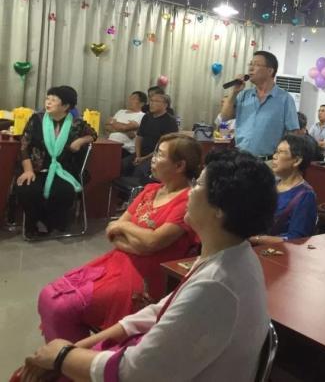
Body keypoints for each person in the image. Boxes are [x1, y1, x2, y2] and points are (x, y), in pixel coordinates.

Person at [16, 149, 274, 382]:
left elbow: (134, 373)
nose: (191, 191)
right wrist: (79, 347)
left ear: (220, 209)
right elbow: (163, 309)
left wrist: (62, 356)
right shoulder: (231, 254)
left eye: (199, 184)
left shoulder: (216, 286)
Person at [37, 134, 202, 343]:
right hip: (117, 262)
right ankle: (71, 358)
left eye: (160, 155)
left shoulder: (186, 201)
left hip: (145, 276)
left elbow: (152, 241)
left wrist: (125, 227)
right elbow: (113, 232)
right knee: (49, 296)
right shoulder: (150, 190)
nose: (152, 159)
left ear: (179, 166)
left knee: (61, 305)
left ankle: (76, 357)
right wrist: (138, 242)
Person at [15, 86, 97, 236]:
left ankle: (51, 223)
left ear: (65, 106)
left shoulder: (76, 123)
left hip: (62, 170)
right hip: (36, 169)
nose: (48, 102)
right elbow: (24, 145)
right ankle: (35, 223)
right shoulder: (37, 119)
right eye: (48, 99)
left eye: (53, 100)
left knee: (64, 192)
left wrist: (80, 141)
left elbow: (93, 134)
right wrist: (28, 170)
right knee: (27, 189)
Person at [219, 51, 299, 158]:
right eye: (250, 64)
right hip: (240, 158)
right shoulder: (243, 95)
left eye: (256, 64)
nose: (250, 68)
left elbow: (293, 133)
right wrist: (234, 92)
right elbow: (224, 118)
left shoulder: (285, 99)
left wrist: (282, 157)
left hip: (268, 161)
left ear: (270, 71)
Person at [250, 135, 317, 244]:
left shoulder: (305, 195)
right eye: (275, 152)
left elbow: (297, 239)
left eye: (280, 152)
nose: (274, 156)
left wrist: (256, 239)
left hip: (277, 251)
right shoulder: (272, 184)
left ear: (297, 161)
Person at [123, 93, 178, 182]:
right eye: (151, 101)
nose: (151, 103)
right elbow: (139, 137)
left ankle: (138, 190)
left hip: (157, 156)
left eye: (156, 101)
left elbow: (164, 147)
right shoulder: (147, 117)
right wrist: (138, 156)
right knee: (123, 164)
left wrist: (143, 159)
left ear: (165, 105)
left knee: (139, 170)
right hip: (141, 154)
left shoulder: (170, 121)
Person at [105, 91, 146, 158]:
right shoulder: (120, 112)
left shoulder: (142, 116)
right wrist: (125, 129)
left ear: (142, 103)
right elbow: (107, 127)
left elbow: (127, 131)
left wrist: (113, 123)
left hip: (125, 148)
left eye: (133, 99)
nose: (129, 101)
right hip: (109, 143)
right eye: (130, 98)